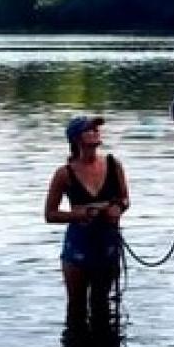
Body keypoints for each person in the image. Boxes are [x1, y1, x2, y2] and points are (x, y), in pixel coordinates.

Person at [45, 115, 130, 327]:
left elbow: (125, 199)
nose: (95, 132)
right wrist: (80, 215)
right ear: (76, 139)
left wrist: (117, 208)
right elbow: (50, 214)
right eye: (89, 129)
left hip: (107, 243)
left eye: (96, 129)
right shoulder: (64, 174)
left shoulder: (113, 165)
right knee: (76, 307)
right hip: (78, 246)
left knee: (102, 304)